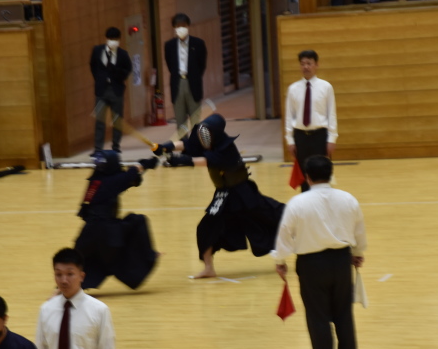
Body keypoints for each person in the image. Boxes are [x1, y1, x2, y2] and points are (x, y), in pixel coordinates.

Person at [153, 113, 285, 279]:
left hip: (242, 193)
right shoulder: (206, 141)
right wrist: (165, 147)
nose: (202, 139)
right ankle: (209, 268)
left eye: (206, 135)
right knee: (206, 228)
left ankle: (303, 224)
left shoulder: (226, 148)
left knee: (274, 214)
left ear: (214, 134)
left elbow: (206, 161)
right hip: (224, 194)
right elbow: (187, 144)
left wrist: (181, 160)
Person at [271, 155, 367, 349]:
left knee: (317, 314)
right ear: (331, 174)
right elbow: (359, 231)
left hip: (311, 264)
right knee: (343, 311)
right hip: (341, 261)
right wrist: (357, 253)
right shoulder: (348, 199)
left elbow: (284, 236)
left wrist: (280, 261)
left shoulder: (297, 203)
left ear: (307, 177)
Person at [74, 151, 159, 290]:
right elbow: (129, 175)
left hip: (88, 234)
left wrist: (143, 168)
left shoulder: (95, 182)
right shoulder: (112, 182)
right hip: (107, 234)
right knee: (138, 221)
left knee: (82, 262)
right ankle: (147, 255)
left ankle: (67, 287)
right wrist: (146, 163)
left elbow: (125, 181)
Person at [284, 50, 337, 192]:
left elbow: (331, 114)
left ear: (316, 64)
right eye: (302, 64)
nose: (305, 67)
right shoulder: (293, 89)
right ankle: (306, 201)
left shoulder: (326, 87)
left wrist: (332, 138)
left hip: (319, 136)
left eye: (309, 63)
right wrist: (290, 140)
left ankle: (322, 200)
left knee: (321, 174)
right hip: (300, 137)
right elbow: (289, 116)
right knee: (304, 174)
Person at [90, 27, 132, 154]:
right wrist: (99, 79)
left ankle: (116, 146)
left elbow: (127, 70)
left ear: (119, 40)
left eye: (115, 39)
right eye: (111, 39)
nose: (113, 41)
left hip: (116, 90)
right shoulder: (97, 50)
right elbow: (92, 66)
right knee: (100, 120)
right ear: (106, 39)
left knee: (117, 120)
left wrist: (116, 71)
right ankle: (98, 148)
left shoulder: (123, 54)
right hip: (101, 90)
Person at [163, 13, 206, 136]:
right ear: (174, 28)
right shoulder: (169, 45)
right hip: (178, 83)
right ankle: (184, 145)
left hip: (193, 83)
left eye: (183, 26)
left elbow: (202, 65)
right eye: (178, 26)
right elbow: (170, 65)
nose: (181, 28)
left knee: (195, 120)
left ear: (188, 26)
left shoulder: (198, 44)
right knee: (180, 121)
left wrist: (194, 77)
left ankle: (196, 143)